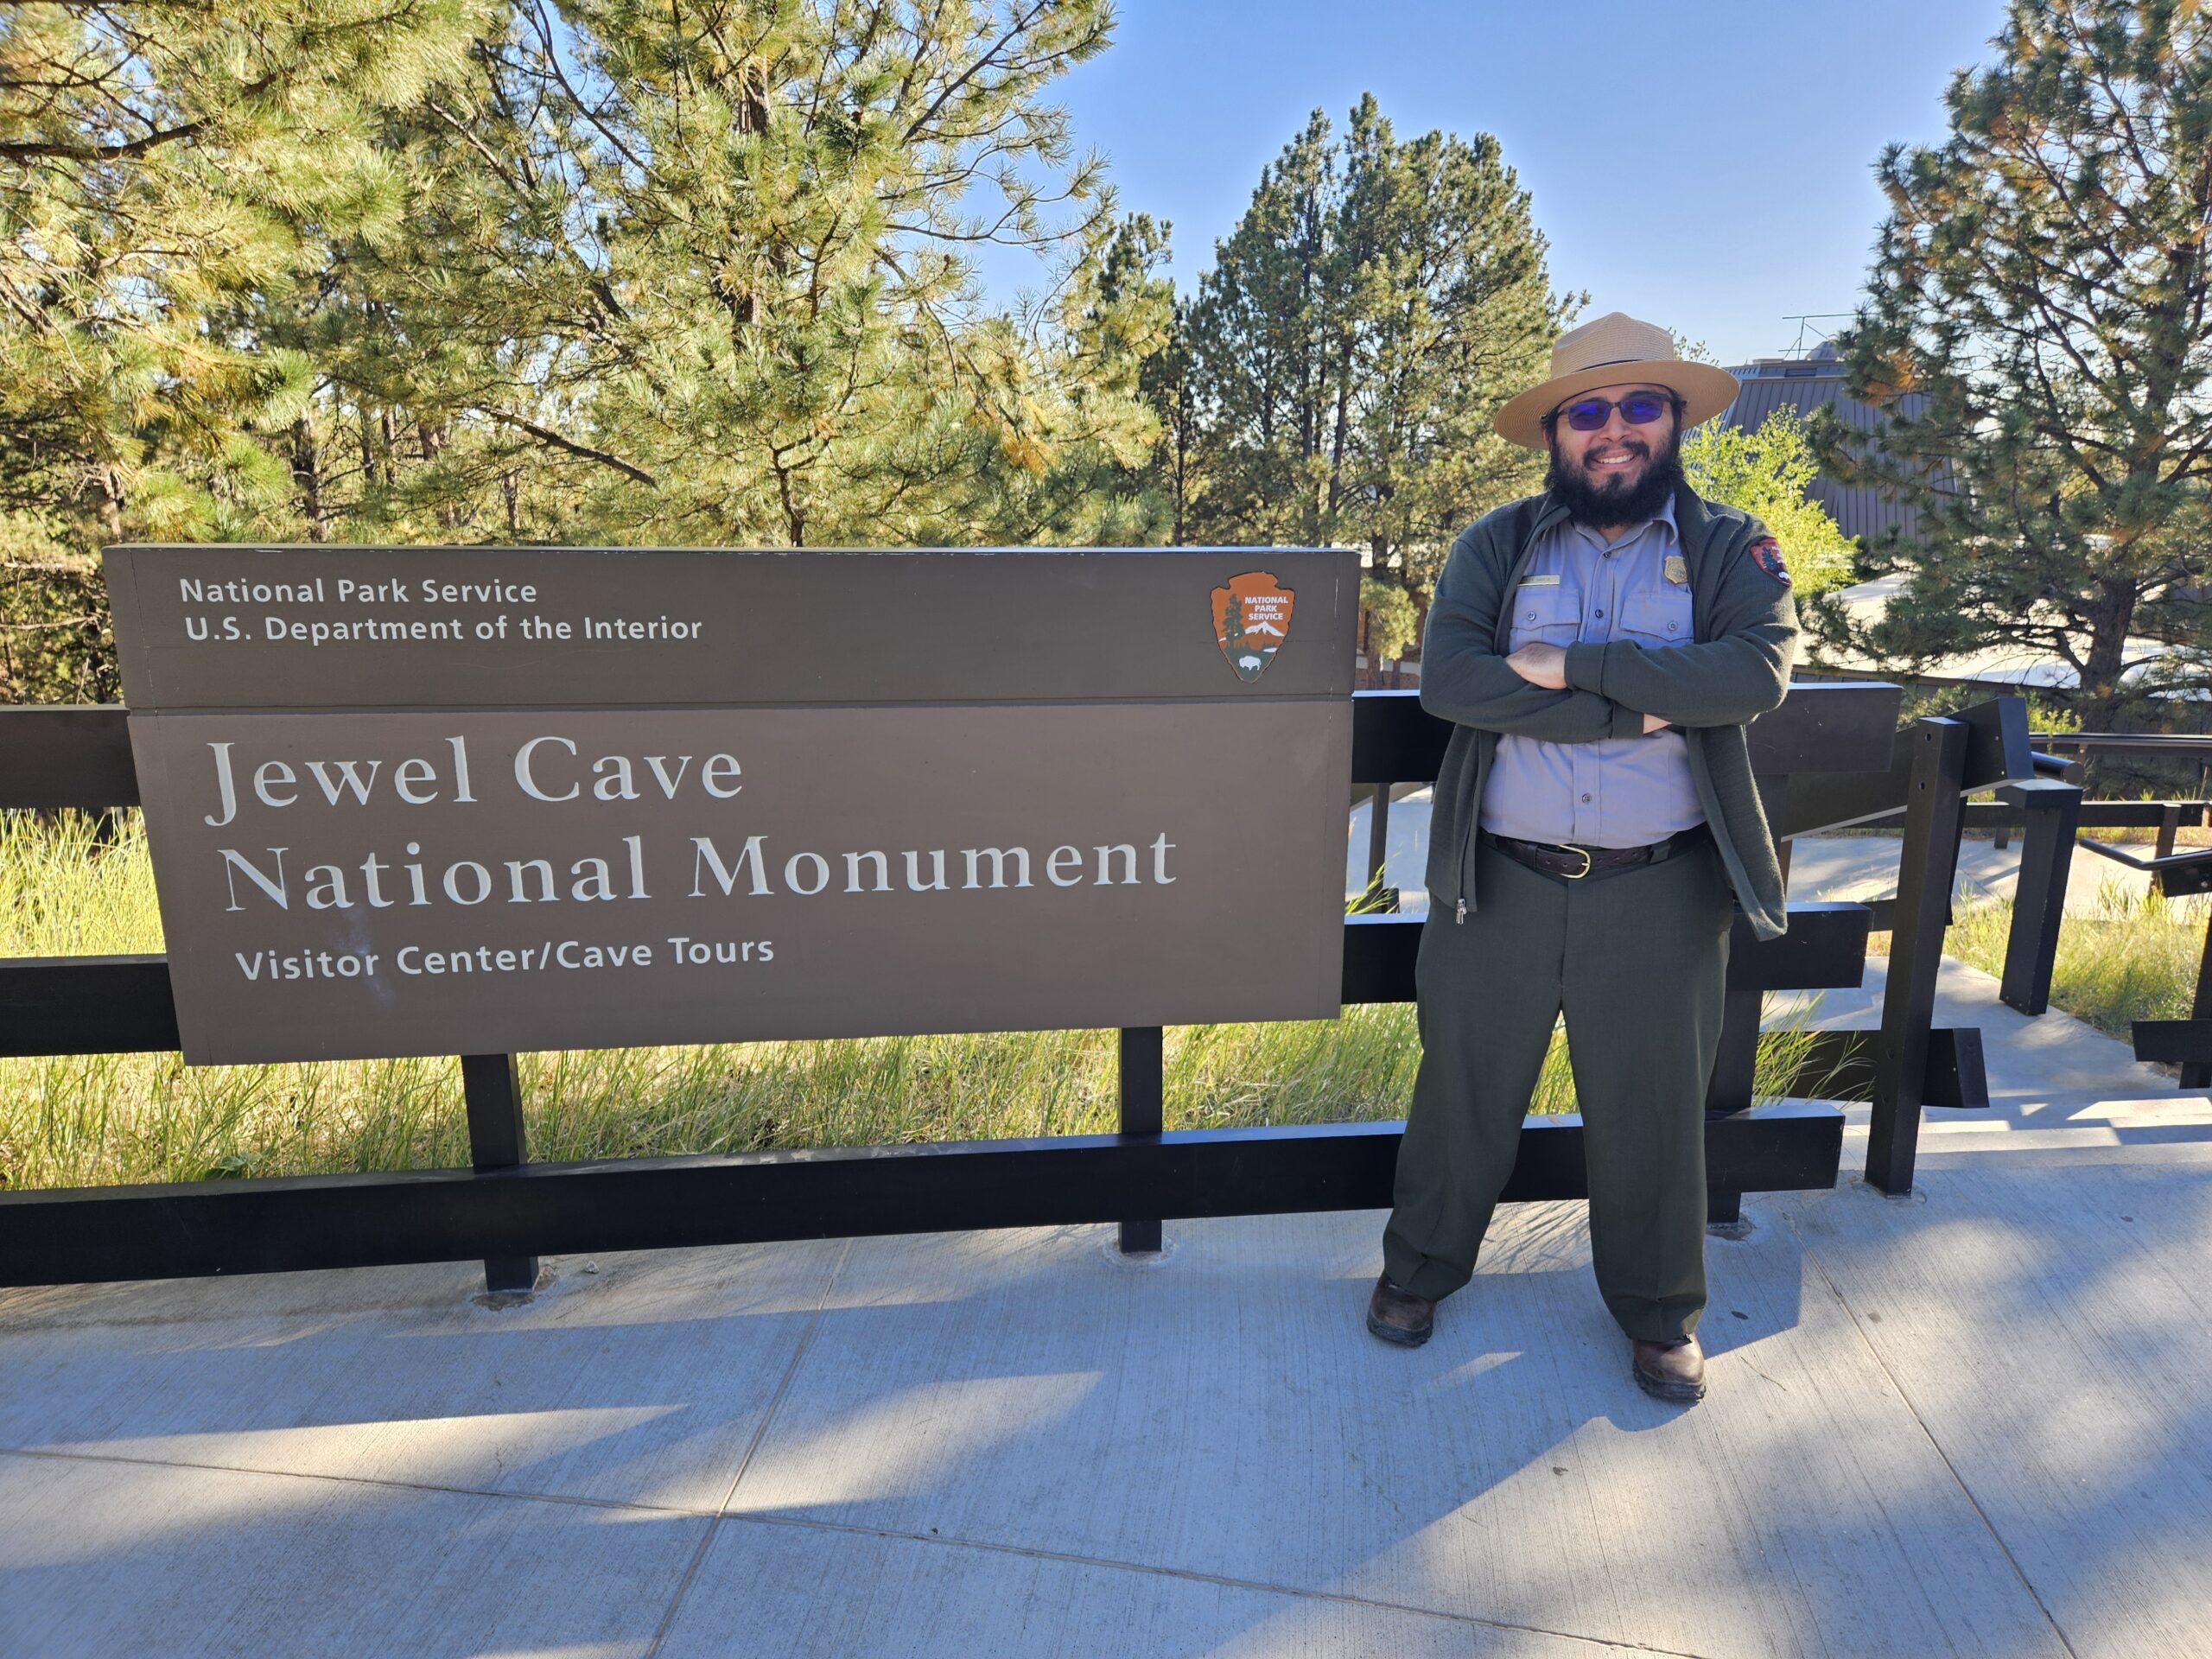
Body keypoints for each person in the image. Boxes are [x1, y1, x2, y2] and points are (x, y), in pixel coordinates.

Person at [1364, 311, 1800, 1404]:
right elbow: (1452, 683)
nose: (1615, 430)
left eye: (1639, 406)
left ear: (1673, 421)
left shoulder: (1727, 545)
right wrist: (1638, 704)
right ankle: (1417, 1272)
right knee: (1461, 1093)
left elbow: (1749, 676)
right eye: (1590, 411)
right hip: (1499, 883)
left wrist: (1570, 665)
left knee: (1653, 1110)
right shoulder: (1495, 545)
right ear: (1556, 431)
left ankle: (1659, 1315)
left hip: (1659, 887)